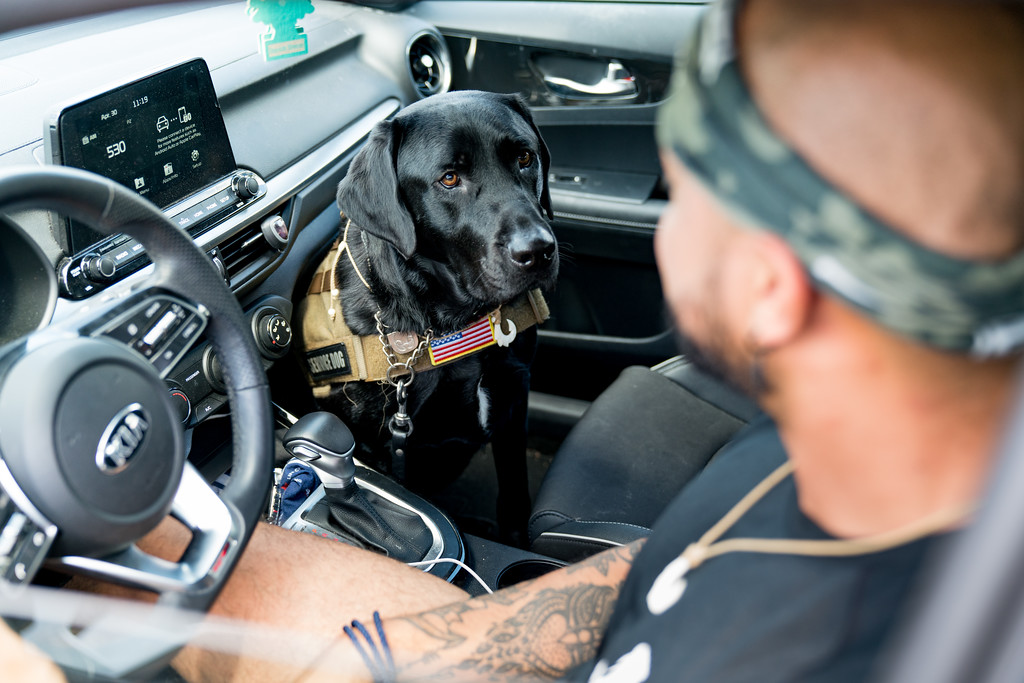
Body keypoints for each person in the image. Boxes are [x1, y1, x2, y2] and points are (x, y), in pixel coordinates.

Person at [7, 0, 1023, 680]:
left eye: (688, 182)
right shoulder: (804, 466)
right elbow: (583, 604)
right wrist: (148, 547)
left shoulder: (791, 642)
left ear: (770, 285)